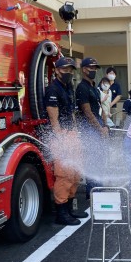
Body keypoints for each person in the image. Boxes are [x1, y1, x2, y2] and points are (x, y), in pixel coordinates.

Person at [43, 57, 88, 225]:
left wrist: (76, 133)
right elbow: (53, 118)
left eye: (70, 70)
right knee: (64, 175)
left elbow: (72, 114)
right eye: (65, 69)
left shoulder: (68, 88)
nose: (68, 72)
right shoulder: (53, 89)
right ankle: (61, 213)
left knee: (75, 174)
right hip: (61, 136)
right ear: (57, 70)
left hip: (71, 135)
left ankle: (69, 209)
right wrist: (60, 139)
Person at [75, 57, 109, 198]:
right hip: (89, 129)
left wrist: (105, 125)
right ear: (84, 69)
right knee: (92, 161)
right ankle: (93, 194)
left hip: (99, 125)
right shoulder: (82, 87)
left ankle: (99, 190)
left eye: (95, 68)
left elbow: (100, 108)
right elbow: (87, 112)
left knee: (100, 160)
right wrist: (100, 128)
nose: (94, 70)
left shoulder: (94, 87)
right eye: (91, 68)